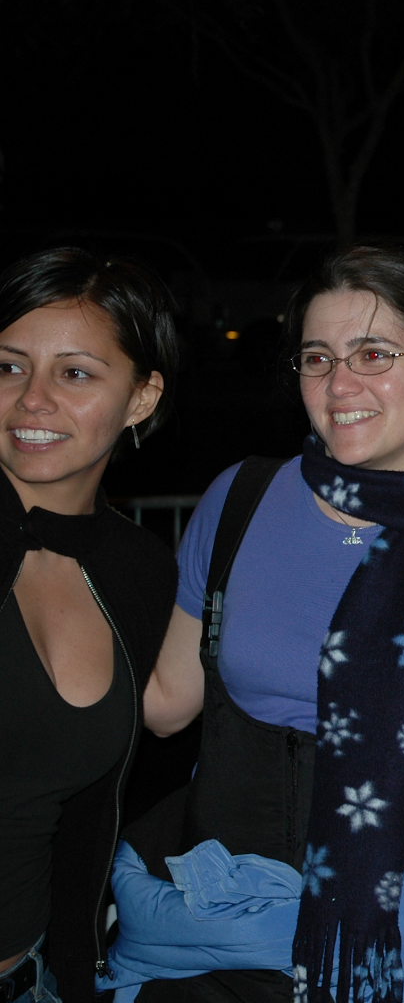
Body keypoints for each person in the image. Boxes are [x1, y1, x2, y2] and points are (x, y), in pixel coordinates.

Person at [123, 246, 404, 1003]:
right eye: (317, 358)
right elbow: (164, 703)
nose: (340, 385)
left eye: (374, 355)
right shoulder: (240, 501)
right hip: (215, 938)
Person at [0, 248, 178, 1003]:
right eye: (8, 367)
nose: (32, 399)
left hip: (38, 977)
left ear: (141, 398)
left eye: (74, 373)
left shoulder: (140, 571)